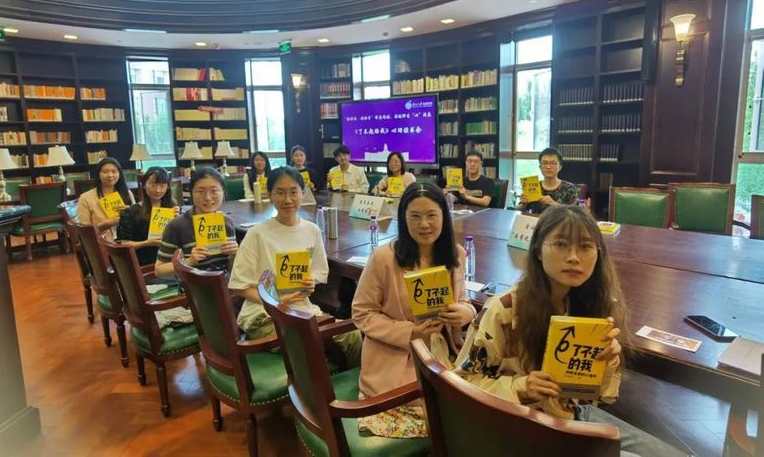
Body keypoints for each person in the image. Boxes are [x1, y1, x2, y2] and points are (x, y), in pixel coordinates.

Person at [455, 205, 685, 456]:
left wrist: (607, 362)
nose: (574, 257)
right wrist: (521, 386)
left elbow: (600, 395)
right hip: (518, 428)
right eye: (561, 244)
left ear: (598, 254)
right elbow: (461, 384)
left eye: (585, 246)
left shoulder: (592, 305)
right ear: (538, 250)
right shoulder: (505, 309)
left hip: (569, 414)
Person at [352, 182, 476, 438]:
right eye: (415, 216)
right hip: (398, 357)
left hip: (444, 351)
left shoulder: (455, 254)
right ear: (403, 218)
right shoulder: (384, 258)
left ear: (444, 216)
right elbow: (362, 313)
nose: (424, 224)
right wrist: (411, 332)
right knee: (442, 417)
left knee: (478, 406)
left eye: (432, 215)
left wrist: (466, 312)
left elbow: (463, 299)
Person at [228, 166, 361, 366]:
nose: (288, 199)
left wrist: (310, 281)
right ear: (270, 195)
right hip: (263, 314)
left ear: (303, 193)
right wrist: (275, 301)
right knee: (308, 344)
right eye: (280, 193)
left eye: (293, 192)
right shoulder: (257, 234)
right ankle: (319, 383)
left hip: (302, 310)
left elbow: (319, 272)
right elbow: (240, 286)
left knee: (353, 335)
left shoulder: (312, 230)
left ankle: (351, 384)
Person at [155, 167, 238, 278]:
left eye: (214, 191)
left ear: (223, 192)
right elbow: (159, 270)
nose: (208, 197)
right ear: (191, 193)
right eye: (200, 191)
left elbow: (231, 269)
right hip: (192, 285)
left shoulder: (227, 222)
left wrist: (234, 255)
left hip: (224, 283)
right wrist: (189, 261)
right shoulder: (176, 225)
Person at [116, 167, 178, 267]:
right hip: (145, 264)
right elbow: (123, 244)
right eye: (153, 185)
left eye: (162, 186)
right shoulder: (131, 212)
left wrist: (178, 221)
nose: (158, 190)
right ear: (144, 185)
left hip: (171, 262)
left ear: (168, 187)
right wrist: (146, 243)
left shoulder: (173, 209)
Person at [76, 157, 134, 232]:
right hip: (101, 238)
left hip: (126, 236)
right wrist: (106, 224)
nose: (110, 175)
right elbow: (84, 231)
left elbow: (136, 223)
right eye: (105, 171)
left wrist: (131, 213)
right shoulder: (85, 198)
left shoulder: (127, 193)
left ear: (119, 174)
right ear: (98, 174)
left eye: (114, 171)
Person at [517, 147, 579, 214]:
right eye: (545, 163)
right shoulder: (534, 186)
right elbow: (517, 210)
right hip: (537, 220)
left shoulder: (570, 189)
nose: (548, 167)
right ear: (540, 167)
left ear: (560, 167)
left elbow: (576, 214)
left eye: (553, 163)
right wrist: (523, 204)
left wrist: (554, 204)